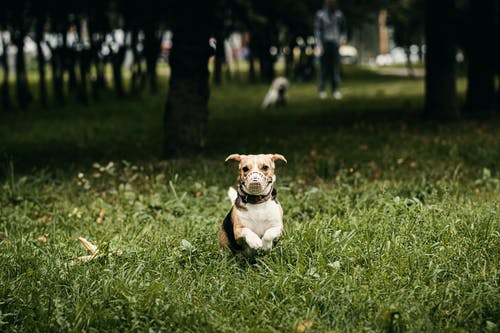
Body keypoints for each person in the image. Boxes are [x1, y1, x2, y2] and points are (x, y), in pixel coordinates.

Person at [314, 0, 347, 99]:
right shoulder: (320, 15)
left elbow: (343, 30)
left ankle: (335, 90)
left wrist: (342, 40)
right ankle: (322, 90)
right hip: (325, 43)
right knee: (324, 68)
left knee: (335, 68)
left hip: (335, 43)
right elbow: (317, 31)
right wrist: (319, 45)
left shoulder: (339, 15)